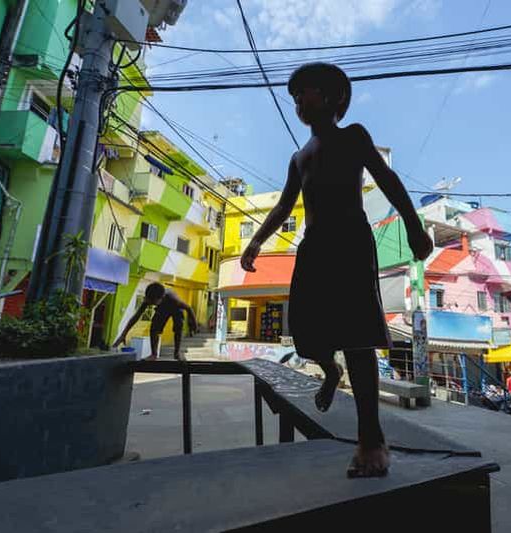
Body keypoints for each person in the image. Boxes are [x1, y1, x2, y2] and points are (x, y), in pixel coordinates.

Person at [240, 63, 433, 478]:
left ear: (332, 97)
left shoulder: (354, 136)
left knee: (357, 338)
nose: (298, 101)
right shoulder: (298, 157)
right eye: (294, 96)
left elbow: (387, 179)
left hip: (350, 241)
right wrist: (256, 241)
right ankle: (330, 370)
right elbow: (284, 205)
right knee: (305, 332)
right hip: (313, 247)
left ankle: (371, 442)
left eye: (305, 92)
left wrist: (413, 226)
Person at [113, 282, 197, 360]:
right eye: (150, 301)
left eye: (153, 302)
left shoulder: (174, 300)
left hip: (176, 308)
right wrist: (124, 334)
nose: (151, 304)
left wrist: (194, 324)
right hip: (162, 309)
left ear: (161, 298)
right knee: (154, 328)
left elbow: (189, 308)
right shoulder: (148, 299)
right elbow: (136, 316)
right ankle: (154, 354)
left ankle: (177, 353)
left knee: (178, 327)